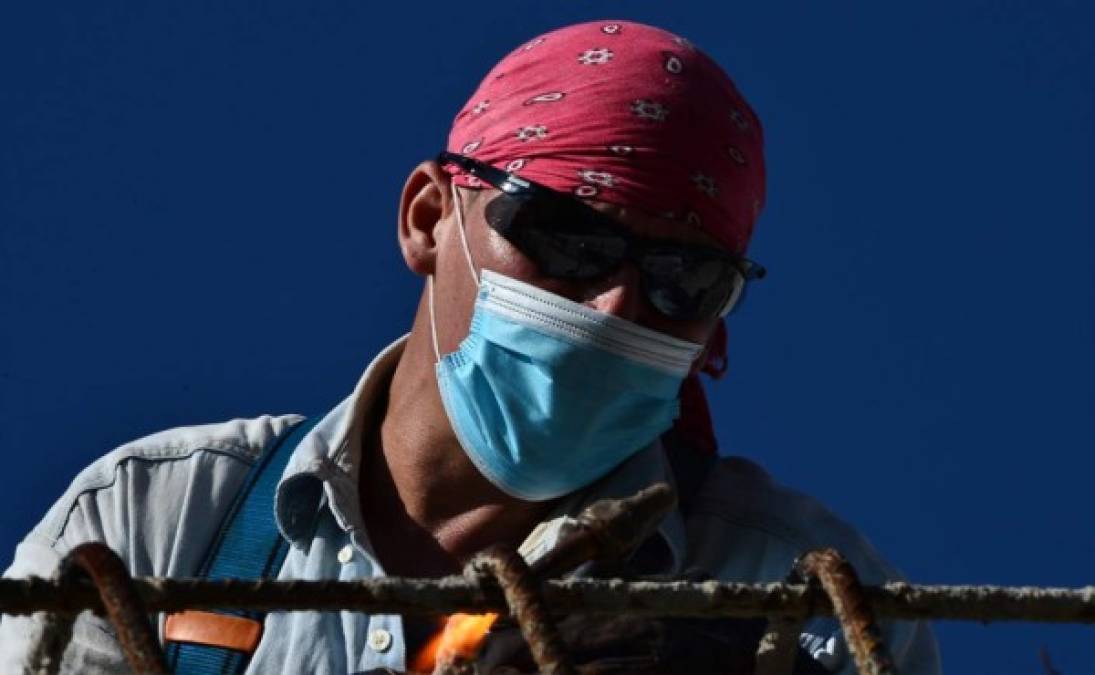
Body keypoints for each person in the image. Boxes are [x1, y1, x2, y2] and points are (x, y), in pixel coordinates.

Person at [0, 19, 940, 674]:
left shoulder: (799, 598)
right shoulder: (154, 521)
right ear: (425, 219)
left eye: (683, 278)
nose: (615, 301)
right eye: (569, 238)